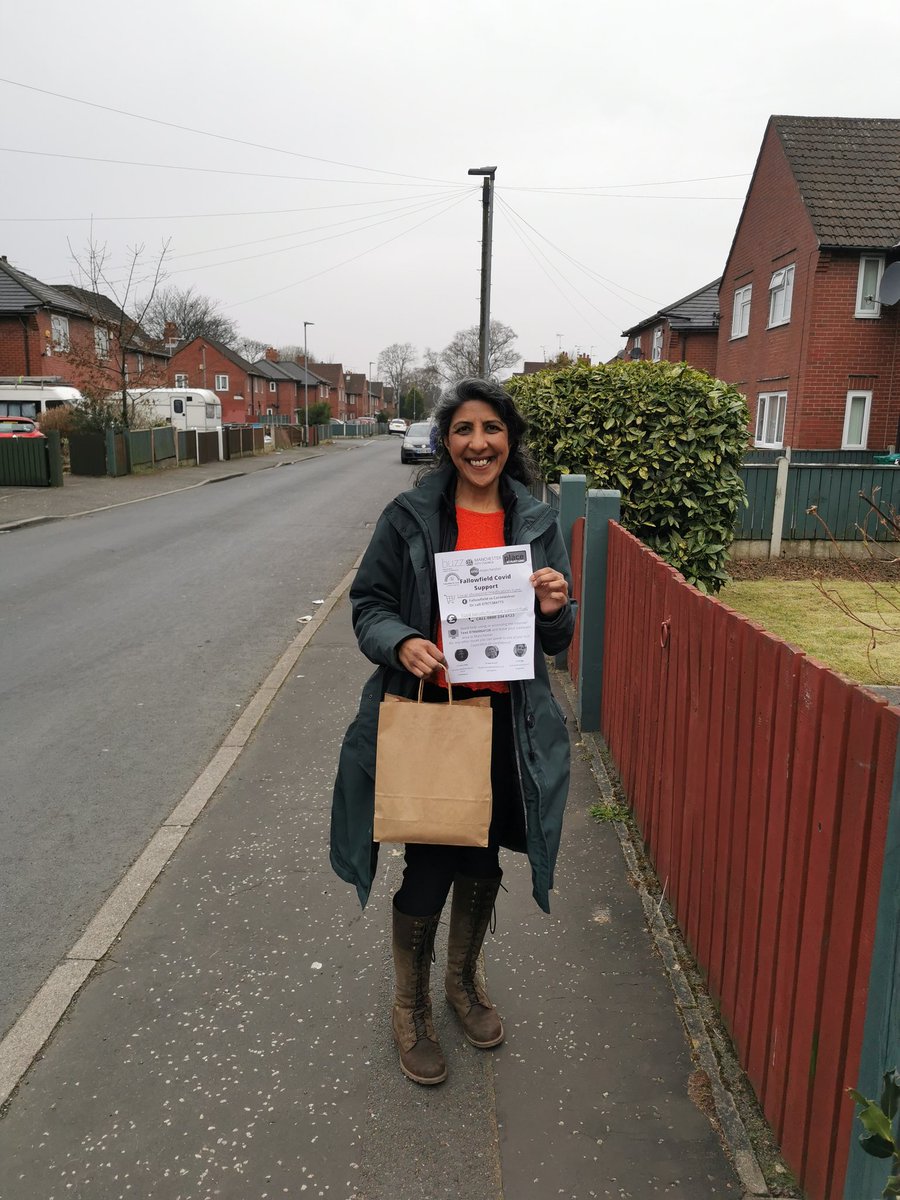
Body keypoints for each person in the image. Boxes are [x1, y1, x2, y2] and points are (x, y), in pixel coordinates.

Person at [330, 376, 575, 1086]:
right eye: (464, 429)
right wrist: (402, 640)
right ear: (446, 441)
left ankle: (462, 984)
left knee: (484, 859)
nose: (479, 443)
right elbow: (369, 604)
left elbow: (556, 638)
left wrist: (557, 607)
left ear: (509, 439)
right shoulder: (409, 516)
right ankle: (410, 1006)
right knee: (431, 865)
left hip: (505, 722)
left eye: (491, 429)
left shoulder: (536, 522)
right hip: (432, 716)